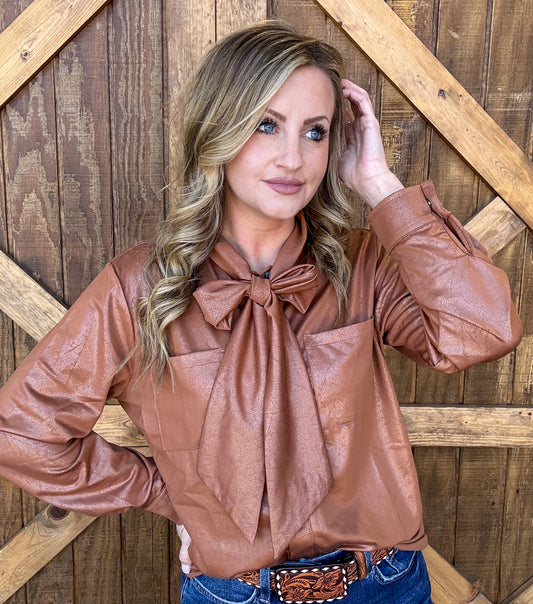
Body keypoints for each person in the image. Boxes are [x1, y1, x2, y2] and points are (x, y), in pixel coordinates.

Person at [0, 20, 522, 604]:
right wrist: (164, 493)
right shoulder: (140, 288)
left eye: (315, 132)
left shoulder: (364, 266)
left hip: (386, 584)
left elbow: (483, 330)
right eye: (266, 124)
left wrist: (379, 185)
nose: (293, 158)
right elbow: (21, 433)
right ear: (218, 128)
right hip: (234, 593)